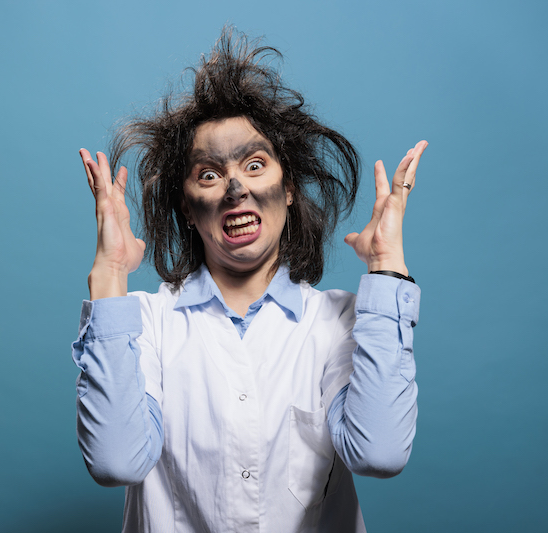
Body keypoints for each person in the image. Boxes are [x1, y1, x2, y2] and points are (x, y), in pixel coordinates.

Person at [73, 29, 427, 533]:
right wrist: (109, 276)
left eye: (255, 164)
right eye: (210, 174)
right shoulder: (144, 325)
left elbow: (381, 454)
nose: (236, 186)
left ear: (287, 191)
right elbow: (115, 463)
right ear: (188, 210)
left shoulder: (342, 320)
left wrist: (387, 264)